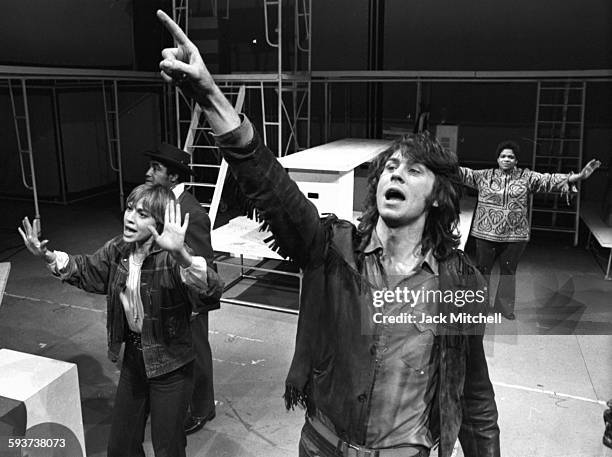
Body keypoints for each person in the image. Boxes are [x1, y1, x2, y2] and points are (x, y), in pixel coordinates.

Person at [156, 10, 499, 457]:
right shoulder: (334, 249)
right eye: (390, 167)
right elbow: (272, 187)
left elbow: (473, 395)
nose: (396, 174)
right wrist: (211, 97)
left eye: (414, 170)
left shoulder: (459, 280)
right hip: (323, 445)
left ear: (437, 195)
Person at [18, 184, 223, 457]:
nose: (130, 217)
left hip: (171, 364)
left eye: (141, 214)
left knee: (167, 447)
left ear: (158, 223)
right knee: (120, 447)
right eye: (129, 209)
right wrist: (46, 255)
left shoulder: (171, 257)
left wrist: (182, 255)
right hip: (134, 359)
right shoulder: (119, 248)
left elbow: (210, 291)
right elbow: (87, 268)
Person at [459, 141, 600, 320]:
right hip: (485, 234)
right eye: (503, 156)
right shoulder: (484, 176)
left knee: (508, 272)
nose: (506, 159)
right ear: (497, 159)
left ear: (516, 160)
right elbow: (461, 173)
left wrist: (579, 176)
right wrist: (431, 164)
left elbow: (549, 180)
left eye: (510, 157)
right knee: (482, 271)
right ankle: (479, 307)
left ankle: (505, 308)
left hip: (515, 235)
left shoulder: (527, 177)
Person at [144, 143, 218, 434]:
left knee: (197, 353)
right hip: (164, 292)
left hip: (190, 300)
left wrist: (196, 308)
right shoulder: (156, 204)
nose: (148, 173)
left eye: (156, 168)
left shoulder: (192, 213)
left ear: (173, 177)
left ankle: (202, 409)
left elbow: (204, 265)